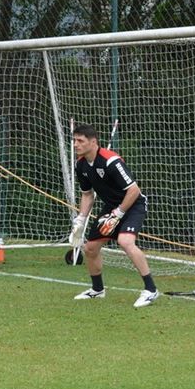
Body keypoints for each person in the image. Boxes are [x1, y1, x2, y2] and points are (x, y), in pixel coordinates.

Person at [68, 123, 158, 308]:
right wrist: (81, 218)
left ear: (93, 142)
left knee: (125, 242)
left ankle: (151, 290)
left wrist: (119, 213)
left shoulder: (111, 161)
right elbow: (87, 194)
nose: (75, 145)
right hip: (111, 208)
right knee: (91, 248)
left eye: (80, 141)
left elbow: (134, 190)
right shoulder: (81, 164)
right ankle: (97, 290)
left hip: (133, 205)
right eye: (74, 140)